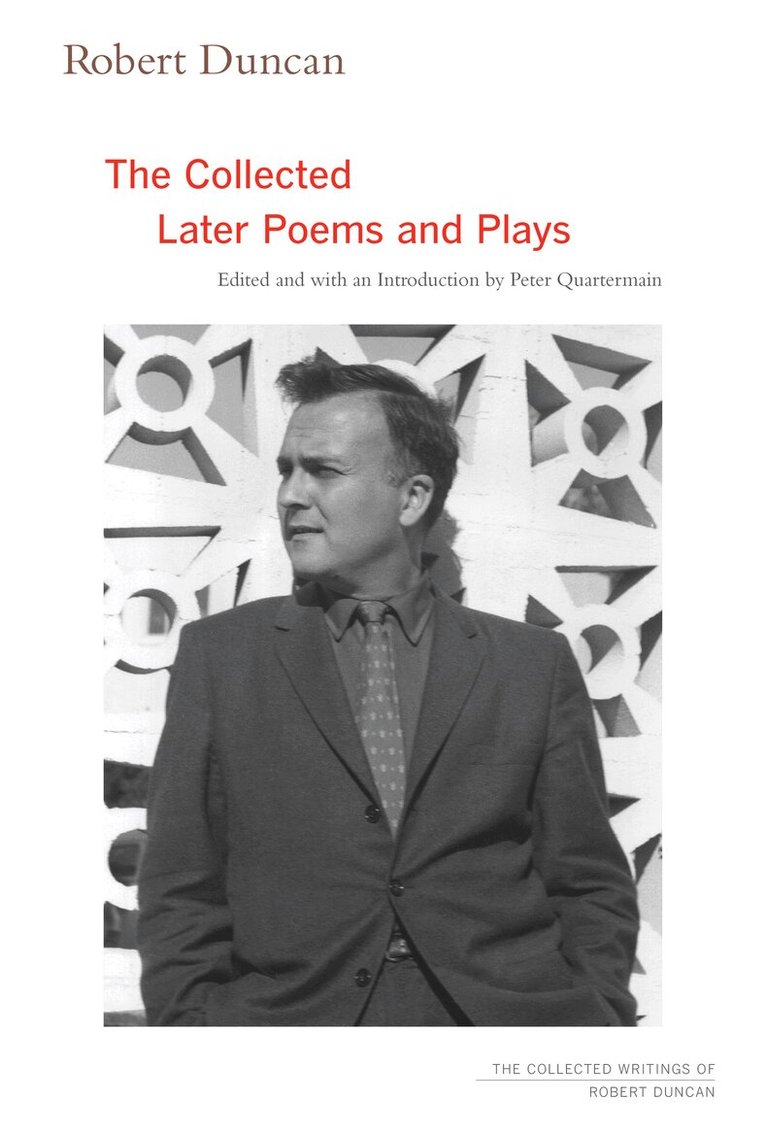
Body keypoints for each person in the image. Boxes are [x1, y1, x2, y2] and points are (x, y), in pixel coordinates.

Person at [137, 355, 639, 1026]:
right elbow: (179, 883)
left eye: (323, 470)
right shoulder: (220, 656)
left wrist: (597, 1015)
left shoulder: (532, 664)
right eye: (287, 469)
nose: (290, 495)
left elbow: (587, 878)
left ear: (412, 498)